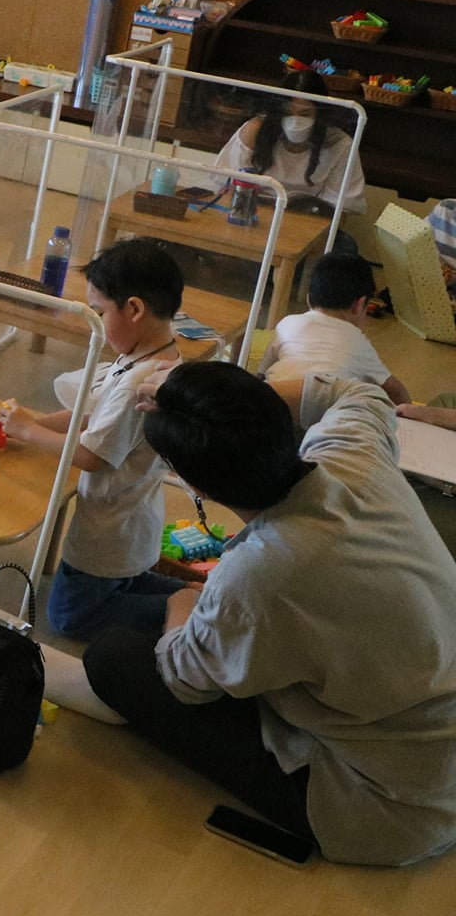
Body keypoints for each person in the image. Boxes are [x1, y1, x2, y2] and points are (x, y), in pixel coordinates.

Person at [84, 365, 456, 865]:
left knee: (113, 656)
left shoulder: (260, 575)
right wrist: (214, 403)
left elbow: (184, 681)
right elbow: (357, 391)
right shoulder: (353, 453)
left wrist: (181, 606)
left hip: (391, 805)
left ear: (197, 486)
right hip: (429, 726)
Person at [3, 240, 186, 638]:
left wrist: (29, 431)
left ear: (134, 309)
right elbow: (93, 417)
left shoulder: (138, 380)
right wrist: (34, 422)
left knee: (70, 617)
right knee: (122, 583)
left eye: (100, 312)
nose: (97, 326)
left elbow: (91, 455)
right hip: (132, 523)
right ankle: (185, 595)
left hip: (110, 531)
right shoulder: (151, 358)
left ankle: (181, 605)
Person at [211, 71, 366, 217]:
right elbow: (228, 189)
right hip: (252, 214)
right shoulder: (255, 131)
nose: (295, 121)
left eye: (305, 114)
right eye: (287, 113)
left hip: (307, 220)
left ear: (320, 114)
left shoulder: (339, 144)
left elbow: (339, 210)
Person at [262, 251, 409, 404]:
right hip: (329, 409)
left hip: (276, 402)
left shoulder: (287, 323)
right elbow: (395, 390)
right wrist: (408, 411)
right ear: (359, 305)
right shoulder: (357, 341)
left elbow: (261, 373)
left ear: (308, 298)